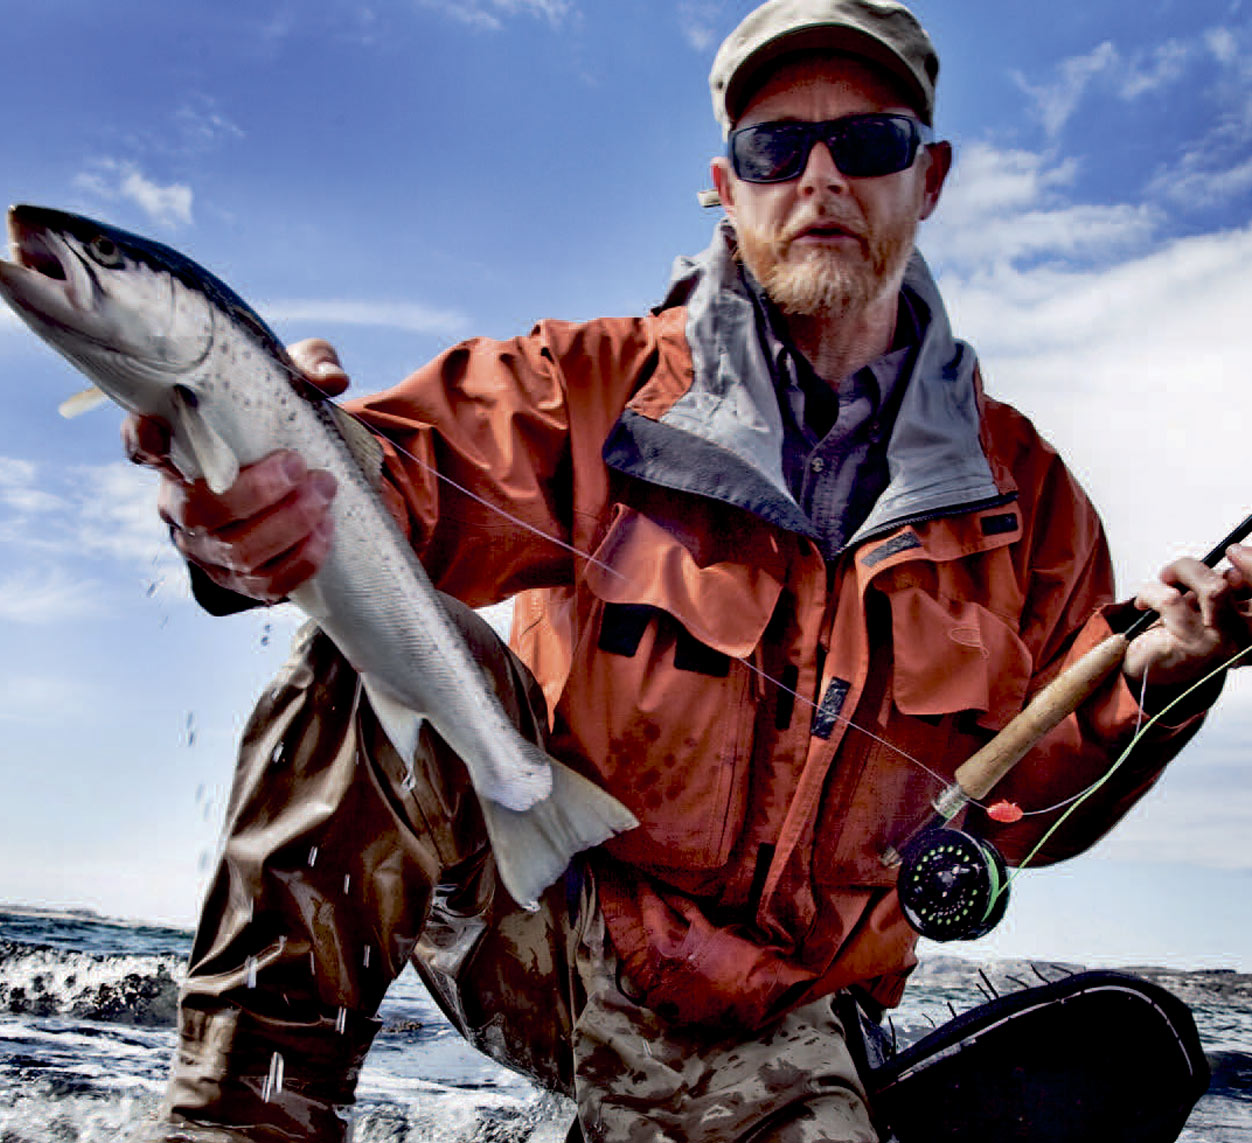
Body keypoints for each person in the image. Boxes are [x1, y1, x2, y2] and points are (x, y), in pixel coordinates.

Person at [127, 1, 1252, 1139]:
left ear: (931, 177)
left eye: (867, 144)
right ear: (727, 182)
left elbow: (1022, 818)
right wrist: (250, 473)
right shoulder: (586, 381)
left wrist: (1161, 681)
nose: (820, 180)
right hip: (544, 930)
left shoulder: (1037, 503)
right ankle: (237, 1124)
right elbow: (375, 487)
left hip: (786, 1013)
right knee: (367, 652)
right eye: (776, 147)